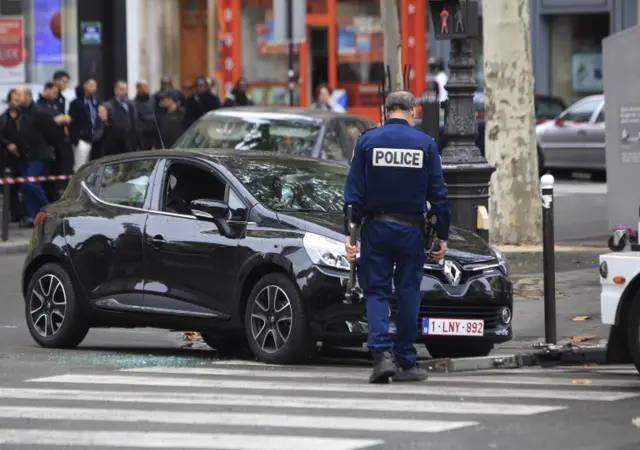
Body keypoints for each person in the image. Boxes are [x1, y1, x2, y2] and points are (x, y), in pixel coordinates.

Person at [343, 90, 450, 384]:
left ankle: (381, 357)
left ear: (386, 111)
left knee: (376, 291)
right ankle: (405, 359)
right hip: (411, 230)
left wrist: (349, 235)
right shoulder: (425, 144)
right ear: (413, 111)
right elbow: (439, 196)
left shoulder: (366, 141)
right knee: (407, 293)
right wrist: (442, 235)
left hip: (376, 227)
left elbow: (353, 194)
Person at [0, 89, 27, 223]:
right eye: (14, 99)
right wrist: (7, 145)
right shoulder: (3, 118)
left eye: (18, 99)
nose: (17, 102)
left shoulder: (25, 116)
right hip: (7, 157)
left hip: (23, 155)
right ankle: (15, 212)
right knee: (10, 188)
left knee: (25, 185)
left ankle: (24, 212)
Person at [102, 81, 142, 154]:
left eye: (125, 89)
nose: (124, 92)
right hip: (115, 142)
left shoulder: (131, 104)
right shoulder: (108, 105)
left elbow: (135, 121)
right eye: (121, 89)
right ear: (116, 90)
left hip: (130, 141)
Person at [68, 78, 99, 171]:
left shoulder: (94, 102)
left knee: (89, 167)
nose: (93, 87)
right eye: (91, 85)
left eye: (95, 85)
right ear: (85, 86)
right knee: (80, 166)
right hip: (81, 139)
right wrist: (75, 138)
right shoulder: (77, 102)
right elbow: (72, 120)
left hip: (92, 139)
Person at [133, 80, 159, 150]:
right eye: (144, 87)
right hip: (141, 137)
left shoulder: (154, 101)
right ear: (138, 88)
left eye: (147, 86)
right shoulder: (133, 104)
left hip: (155, 136)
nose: (147, 88)